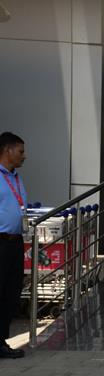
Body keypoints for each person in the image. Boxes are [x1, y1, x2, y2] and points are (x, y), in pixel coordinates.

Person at [0, 132, 27, 359]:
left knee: (10, 293)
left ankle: (1, 341)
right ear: (7, 151)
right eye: (20, 151)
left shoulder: (15, 177)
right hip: (0, 242)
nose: (24, 156)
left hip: (15, 242)